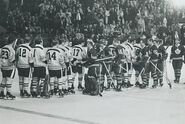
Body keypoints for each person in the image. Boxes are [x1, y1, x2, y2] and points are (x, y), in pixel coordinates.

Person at [0, 35, 16, 99]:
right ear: (13, 42)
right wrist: (15, 64)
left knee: (4, 79)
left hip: (3, 66)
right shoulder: (11, 49)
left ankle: (1, 92)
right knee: (9, 79)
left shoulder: (3, 48)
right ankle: (8, 93)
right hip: (10, 67)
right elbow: (11, 59)